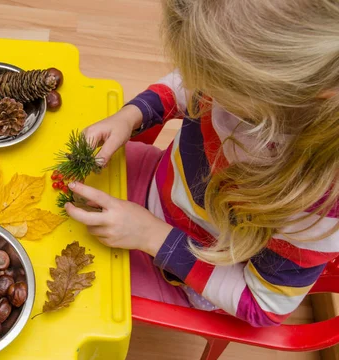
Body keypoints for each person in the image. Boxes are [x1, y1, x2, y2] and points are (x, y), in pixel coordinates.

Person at [65, 0, 339, 326]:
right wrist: (132, 115)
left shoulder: (319, 200)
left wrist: (151, 237)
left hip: (184, 275)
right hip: (156, 185)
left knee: (77, 307)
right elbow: (189, 82)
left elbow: (263, 307)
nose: (203, 89)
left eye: (219, 88)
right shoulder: (248, 74)